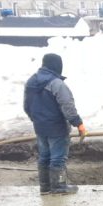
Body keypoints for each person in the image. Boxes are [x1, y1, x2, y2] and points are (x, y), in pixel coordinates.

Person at [23, 53, 87, 195]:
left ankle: (45, 187)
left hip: (40, 128)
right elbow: (67, 106)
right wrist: (79, 124)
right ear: (57, 66)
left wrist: (37, 120)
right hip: (57, 128)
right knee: (58, 158)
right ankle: (58, 187)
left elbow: (27, 106)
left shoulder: (31, 82)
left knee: (44, 157)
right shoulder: (57, 84)